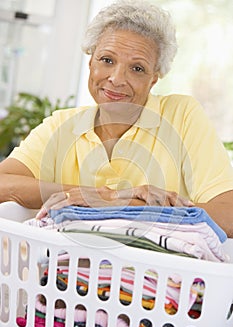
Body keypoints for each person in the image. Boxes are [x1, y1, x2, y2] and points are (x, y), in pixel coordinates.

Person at [0, 0, 233, 236]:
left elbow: (228, 214)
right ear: (91, 63)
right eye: (107, 60)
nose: (117, 79)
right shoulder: (61, 125)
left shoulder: (181, 115)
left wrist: (120, 203)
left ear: (153, 79)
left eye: (137, 68)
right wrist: (103, 195)